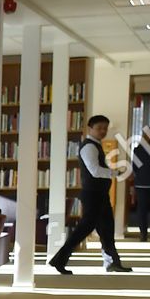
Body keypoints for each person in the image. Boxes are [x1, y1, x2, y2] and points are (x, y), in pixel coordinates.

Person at [48, 115, 132, 272]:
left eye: (105, 128)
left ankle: (112, 262)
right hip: (93, 195)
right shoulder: (89, 147)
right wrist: (115, 173)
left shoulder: (96, 145)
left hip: (100, 194)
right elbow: (94, 170)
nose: (103, 131)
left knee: (107, 228)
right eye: (99, 127)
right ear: (89, 128)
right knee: (84, 229)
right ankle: (59, 260)